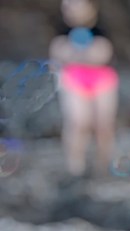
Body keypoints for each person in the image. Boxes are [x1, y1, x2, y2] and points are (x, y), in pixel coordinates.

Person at [48, 0, 119, 177]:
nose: (70, 10)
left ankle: (103, 166)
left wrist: (73, 55)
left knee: (104, 125)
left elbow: (102, 55)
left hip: (102, 79)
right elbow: (56, 57)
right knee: (78, 122)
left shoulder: (103, 28)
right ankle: (75, 168)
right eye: (66, 7)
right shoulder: (60, 29)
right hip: (73, 79)